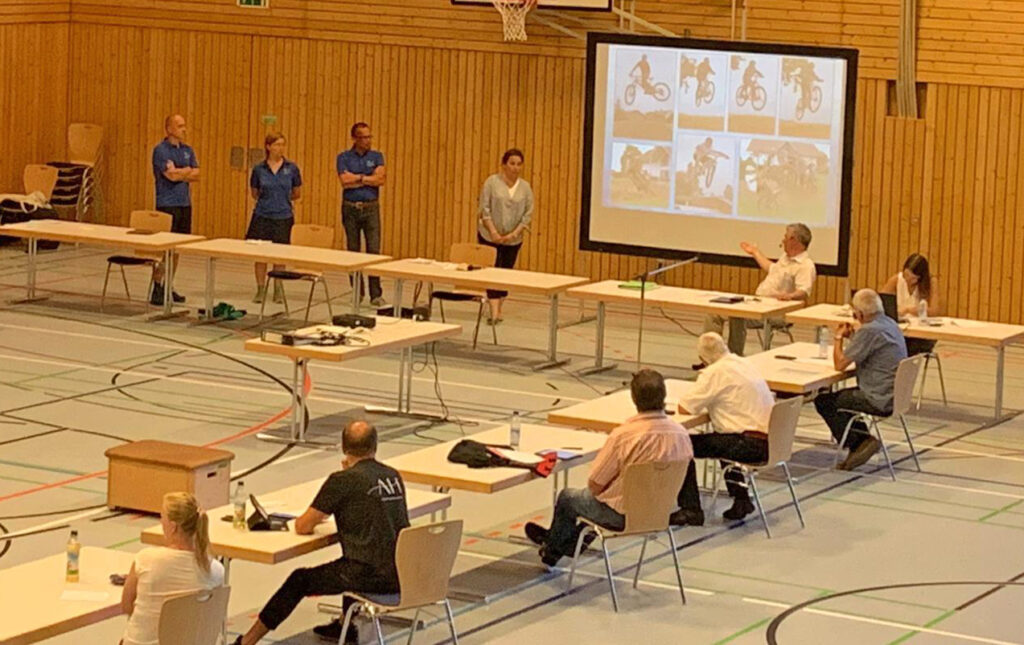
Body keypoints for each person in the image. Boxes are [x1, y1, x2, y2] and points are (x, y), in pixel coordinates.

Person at [233, 421, 408, 645]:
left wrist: (342, 482)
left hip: (368, 576)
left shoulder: (342, 480)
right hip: (403, 572)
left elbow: (303, 526)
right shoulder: (393, 476)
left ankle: (247, 641)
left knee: (300, 580)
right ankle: (346, 623)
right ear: (375, 445)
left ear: (344, 447)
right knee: (353, 557)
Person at [523, 369, 693, 566]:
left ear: (634, 398)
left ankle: (552, 549)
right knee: (594, 502)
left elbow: (595, 484)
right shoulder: (682, 435)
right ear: (663, 396)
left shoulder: (624, 436)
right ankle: (565, 544)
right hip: (660, 513)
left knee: (568, 498)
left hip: (622, 516)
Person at [672, 333, 774, 526]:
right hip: (772, 441)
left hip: (748, 444)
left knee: (682, 444)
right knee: (723, 434)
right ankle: (741, 499)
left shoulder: (714, 373)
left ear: (703, 359)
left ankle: (691, 509)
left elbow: (685, 407)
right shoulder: (743, 363)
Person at [814, 289, 907, 471]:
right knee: (840, 398)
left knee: (824, 401)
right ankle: (862, 439)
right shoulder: (890, 324)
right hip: (894, 396)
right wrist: (853, 337)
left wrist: (838, 338)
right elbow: (869, 347)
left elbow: (840, 364)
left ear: (860, 314)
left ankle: (860, 442)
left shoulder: (869, 330)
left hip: (877, 397)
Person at [120, 492, 224, 645]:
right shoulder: (216, 571)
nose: (160, 522)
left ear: (173, 527)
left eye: (162, 517)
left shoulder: (146, 560)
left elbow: (126, 606)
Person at [704, 223, 816, 356]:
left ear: (794, 240)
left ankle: (735, 356)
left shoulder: (805, 265)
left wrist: (790, 296)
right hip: (759, 303)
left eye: (786, 237)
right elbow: (771, 268)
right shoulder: (785, 258)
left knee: (737, 315)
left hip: (777, 312)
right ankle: (709, 356)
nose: (783, 240)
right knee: (714, 312)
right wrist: (755, 252)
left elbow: (804, 291)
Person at [477, 148, 534, 323]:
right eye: (512, 163)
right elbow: (484, 208)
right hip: (490, 236)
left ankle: (499, 307)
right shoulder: (491, 183)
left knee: (505, 272)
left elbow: (527, 214)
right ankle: (494, 312)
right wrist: (494, 232)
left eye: (519, 164)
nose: (515, 168)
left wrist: (513, 234)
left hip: (513, 239)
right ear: (504, 165)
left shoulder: (525, 188)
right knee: (492, 272)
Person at [246, 132, 302, 304]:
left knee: (280, 255)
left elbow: (296, 193)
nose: (280, 148)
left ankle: (278, 289)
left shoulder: (292, 168)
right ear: (268, 147)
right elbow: (255, 192)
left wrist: (280, 200)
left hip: (283, 216)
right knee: (261, 255)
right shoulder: (259, 169)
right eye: (277, 145)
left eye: (283, 144)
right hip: (262, 215)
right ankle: (260, 289)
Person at [150, 114, 200, 306]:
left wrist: (180, 172)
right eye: (179, 126)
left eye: (184, 125)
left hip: (184, 203)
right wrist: (185, 171)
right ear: (169, 128)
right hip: (167, 203)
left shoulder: (188, 150)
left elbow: (197, 174)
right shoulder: (160, 150)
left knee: (177, 248)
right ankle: (157, 285)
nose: (183, 129)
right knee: (164, 249)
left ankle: (168, 286)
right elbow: (170, 176)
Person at [337, 122, 386, 307]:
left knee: (373, 251)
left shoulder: (377, 156)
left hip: (371, 208)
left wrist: (357, 177)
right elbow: (344, 181)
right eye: (363, 137)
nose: (367, 140)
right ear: (355, 138)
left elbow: (380, 179)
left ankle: (376, 294)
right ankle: (357, 292)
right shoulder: (344, 157)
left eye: (369, 137)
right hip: (350, 208)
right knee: (353, 251)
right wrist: (367, 178)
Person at [880, 253, 941, 356]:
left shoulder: (931, 283)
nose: (907, 279)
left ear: (920, 277)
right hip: (899, 328)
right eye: (906, 275)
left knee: (906, 345)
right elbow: (881, 300)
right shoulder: (896, 280)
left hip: (920, 332)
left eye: (911, 277)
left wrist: (909, 310)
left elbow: (934, 311)